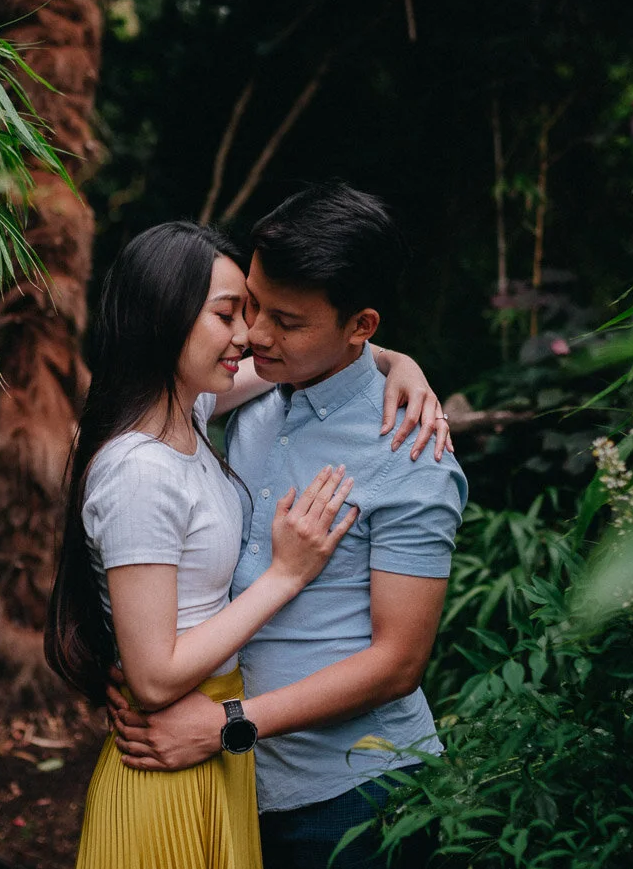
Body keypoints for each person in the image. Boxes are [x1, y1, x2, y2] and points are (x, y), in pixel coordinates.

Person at [45, 220, 451, 869]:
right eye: (234, 311)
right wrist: (284, 576)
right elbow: (154, 671)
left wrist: (402, 363)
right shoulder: (161, 451)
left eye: (264, 315)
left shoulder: (196, 413)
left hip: (319, 779)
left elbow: (400, 660)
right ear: (164, 315)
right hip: (201, 755)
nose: (252, 335)